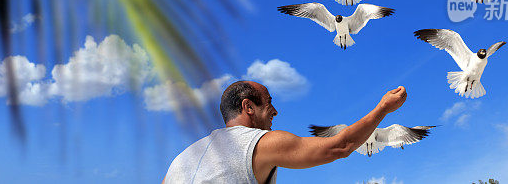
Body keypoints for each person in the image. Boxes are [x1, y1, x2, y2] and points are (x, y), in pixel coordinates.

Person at [163, 80, 407, 183]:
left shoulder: (179, 161)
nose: (275, 111)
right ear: (248, 107)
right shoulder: (259, 143)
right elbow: (339, 147)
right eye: (269, 102)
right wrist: (383, 109)